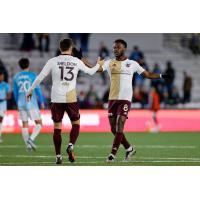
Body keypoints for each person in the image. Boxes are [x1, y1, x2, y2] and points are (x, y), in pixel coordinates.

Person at [26, 38, 100, 164]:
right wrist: (99, 63)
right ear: (71, 48)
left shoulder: (53, 61)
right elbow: (91, 72)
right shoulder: (76, 61)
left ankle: (58, 156)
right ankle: (71, 145)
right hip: (71, 98)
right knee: (76, 124)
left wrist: (31, 89)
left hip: (56, 98)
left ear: (60, 48)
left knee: (57, 128)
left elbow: (41, 77)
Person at [96, 39, 170, 162]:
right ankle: (129, 148)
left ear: (124, 48)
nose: (115, 49)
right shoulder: (109, 63)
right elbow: (96, 70)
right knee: (113, 129)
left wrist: (161, 75)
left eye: (118, 47)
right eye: (114, 47)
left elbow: (147, 74)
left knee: (120, 125)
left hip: (125, 99)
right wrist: (83, 61)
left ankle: (112, 154)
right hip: (112, 99)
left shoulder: (132, 63)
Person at [13, 58, 45, 151]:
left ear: (20, 66)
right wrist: (42, 102)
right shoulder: (33, 75)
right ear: (28, 65)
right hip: (31, 103)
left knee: (24, 124)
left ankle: (28, 146)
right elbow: (38, 90)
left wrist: (17, 104)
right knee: (39, 123)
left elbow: (15, 92)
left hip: (20, 103)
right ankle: (31, 139)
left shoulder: (16, 77)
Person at [0, 70, 11, 142]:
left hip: (2, 106)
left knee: (0, 121)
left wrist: (3, 99)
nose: (1, 78)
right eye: (1, 76)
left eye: (2, 76)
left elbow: (9, 96)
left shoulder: (6, 85)